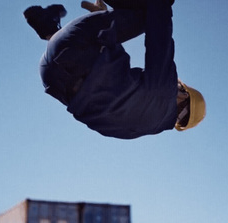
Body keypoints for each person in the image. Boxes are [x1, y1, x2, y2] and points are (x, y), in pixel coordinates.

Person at [23, 0, 205, 139]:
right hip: (50, 76)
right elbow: (104, 93)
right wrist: (109, 26)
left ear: (184, 95)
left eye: (180, 87)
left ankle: (56, 31)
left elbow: (159, 40)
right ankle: (48, 30)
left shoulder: (165, 92)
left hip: (75, 45)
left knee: (149, 12)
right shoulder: (137, 130)